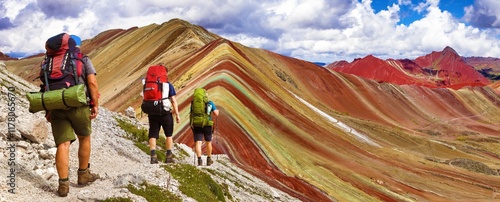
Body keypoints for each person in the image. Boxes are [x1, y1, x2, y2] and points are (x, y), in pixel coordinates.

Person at [45, 34, 100, 197]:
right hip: (78, 105)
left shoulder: (48, 62)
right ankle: (83, 175)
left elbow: (45, 86)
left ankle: (63, 186)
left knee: (63, 145)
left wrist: (48, 110)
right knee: (84, 138)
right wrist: (95, 104)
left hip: (56, 106)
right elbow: (92, 83)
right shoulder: (82, 59)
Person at [146, 66, 181, 164]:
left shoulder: (149, 83)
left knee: (152, 134)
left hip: (152, 112)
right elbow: (173, 100)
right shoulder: (168, 85)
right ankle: (169, 157)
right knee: (168, 134)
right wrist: (177, 114)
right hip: (165, 113)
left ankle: (153, 156)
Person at [192, 91, 219, 166]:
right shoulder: (210, 103)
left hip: (197, 124)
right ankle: (209, 159)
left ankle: (199, 160)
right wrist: (217, 110)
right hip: (207, 124)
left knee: (198, 142)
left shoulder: (194, 103)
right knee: (208, 142)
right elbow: (216, 114)